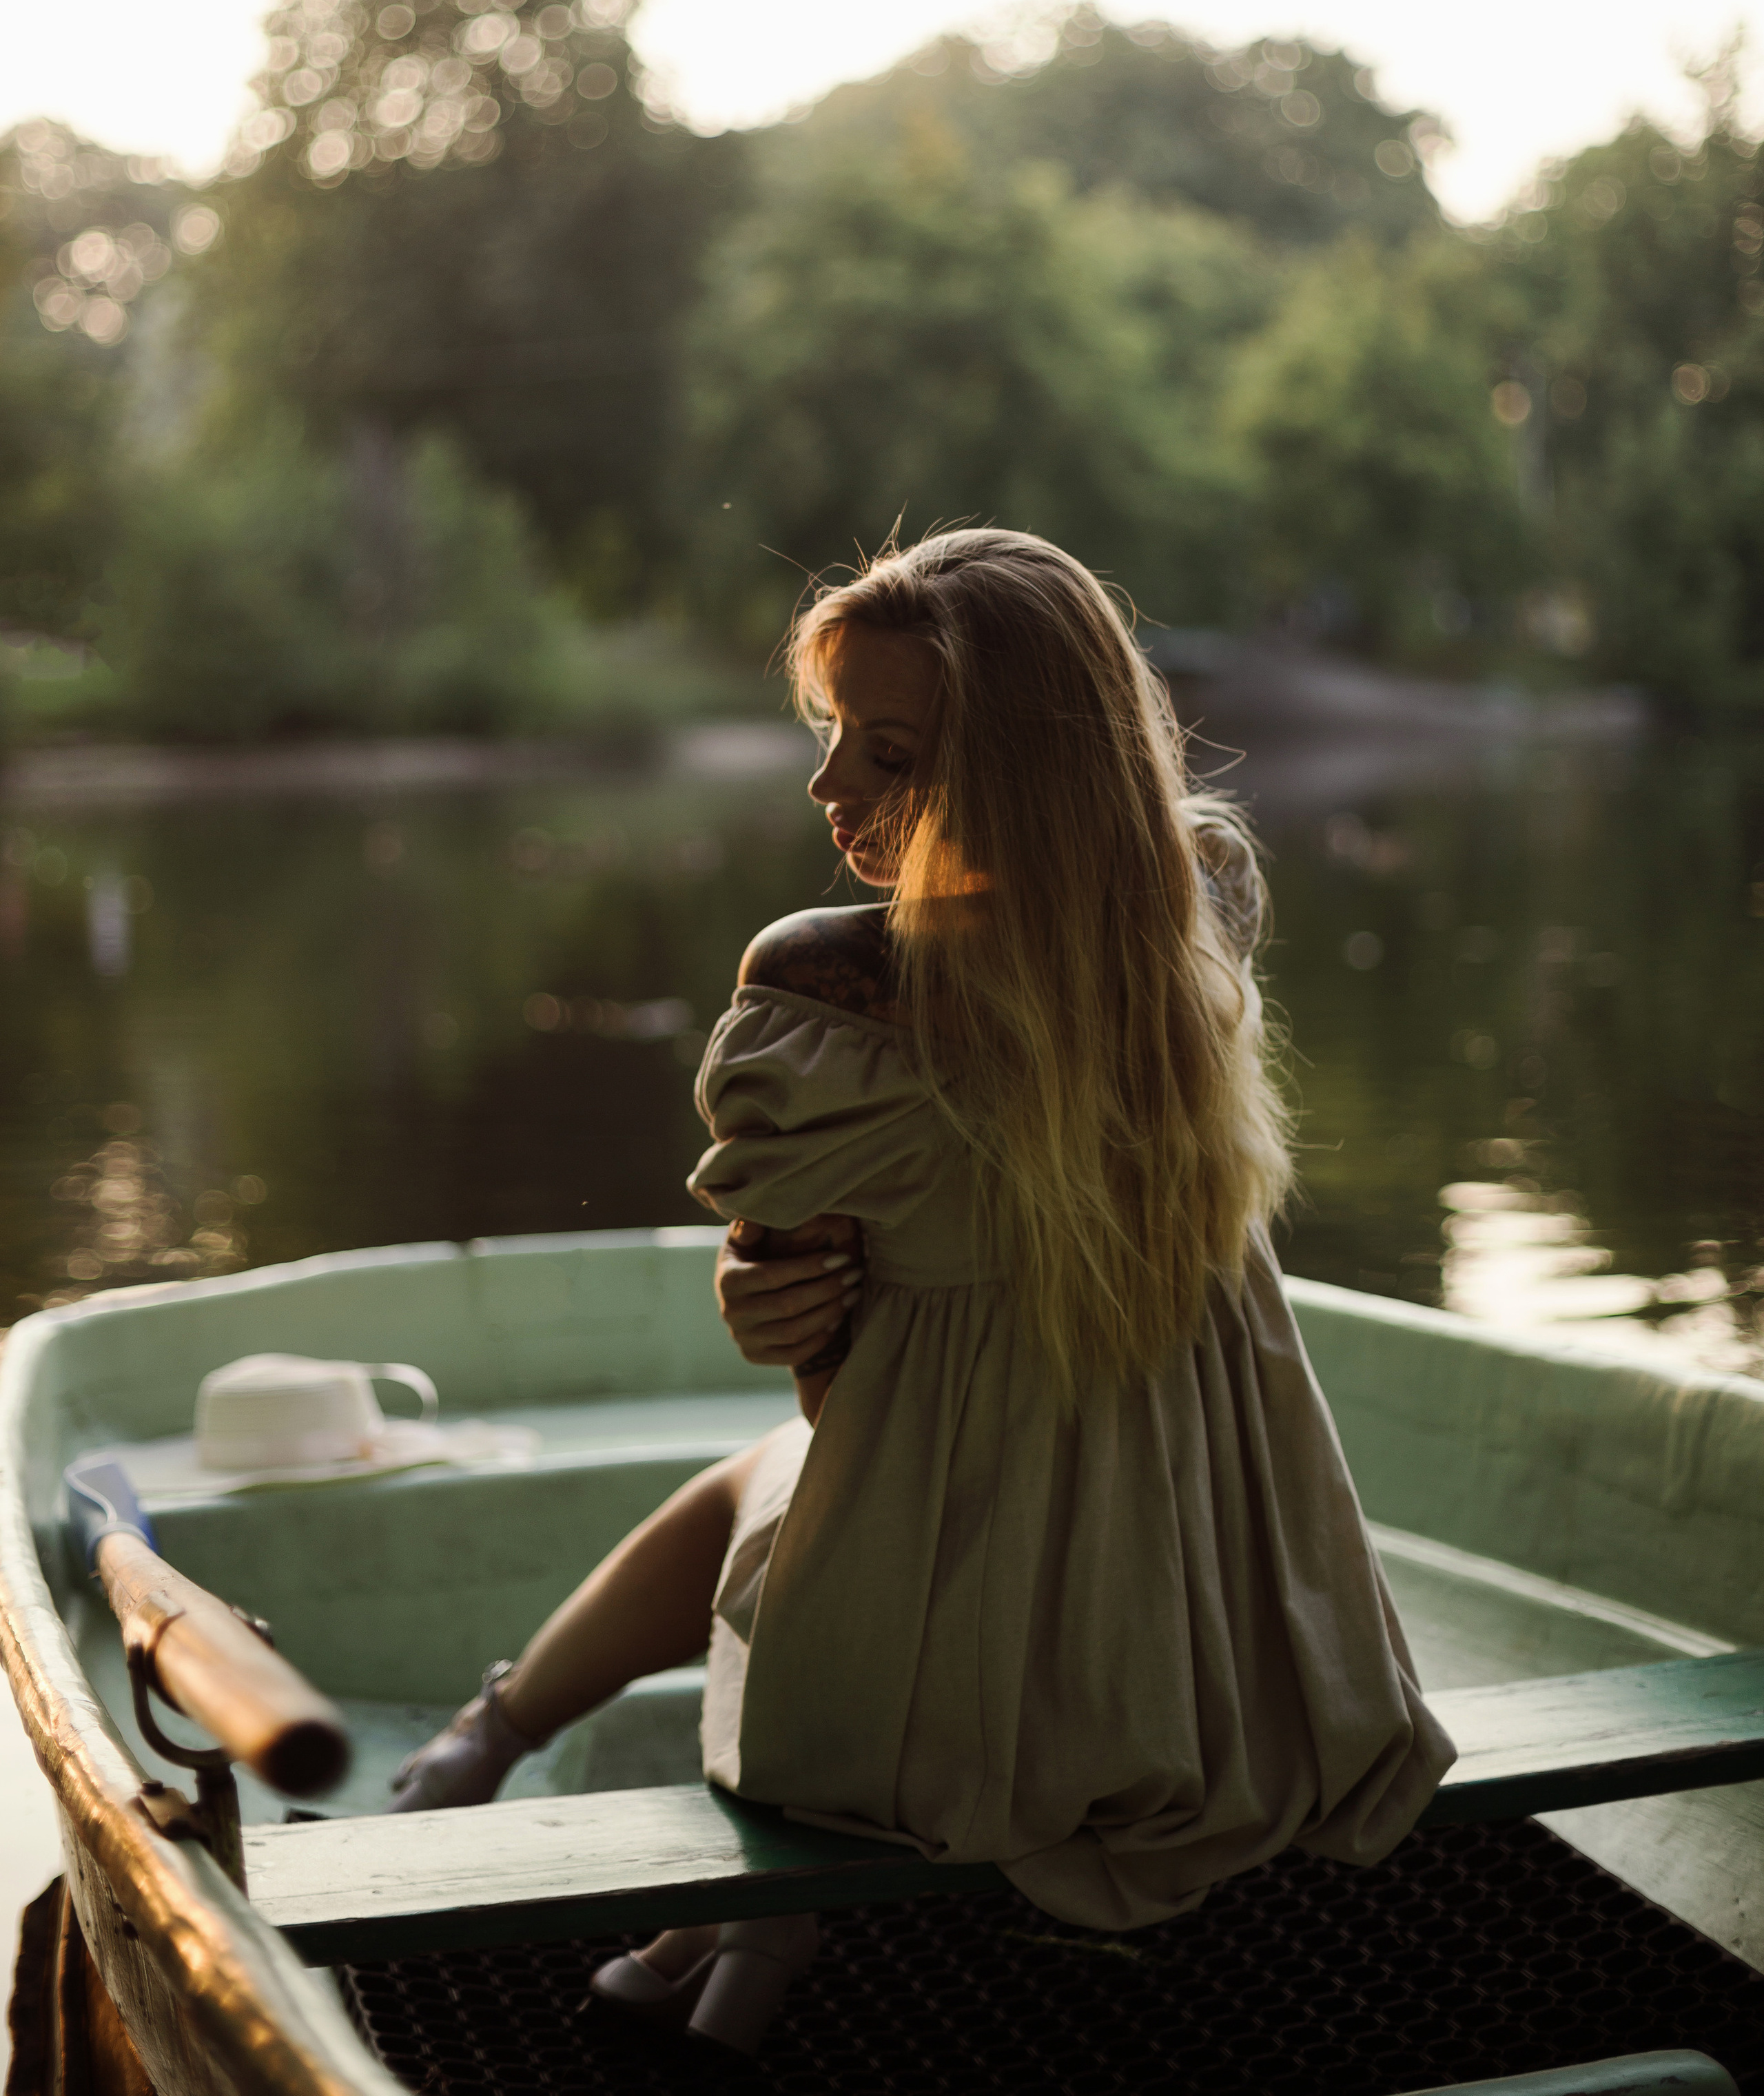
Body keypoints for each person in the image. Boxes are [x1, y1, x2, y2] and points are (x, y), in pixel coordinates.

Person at [388, 528, 1454, 2054]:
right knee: (810, 1474)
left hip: (940, 1675)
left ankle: (498, 1747)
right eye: (832, 740)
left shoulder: (823, 984)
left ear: (1019, 774)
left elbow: (829, 1379)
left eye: (887, 754)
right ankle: (729, 1928)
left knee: (770, 1473)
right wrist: (784, 1304)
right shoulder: (1187, 916)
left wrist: (754, 1301)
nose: (830, 793)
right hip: (1204, 1630)